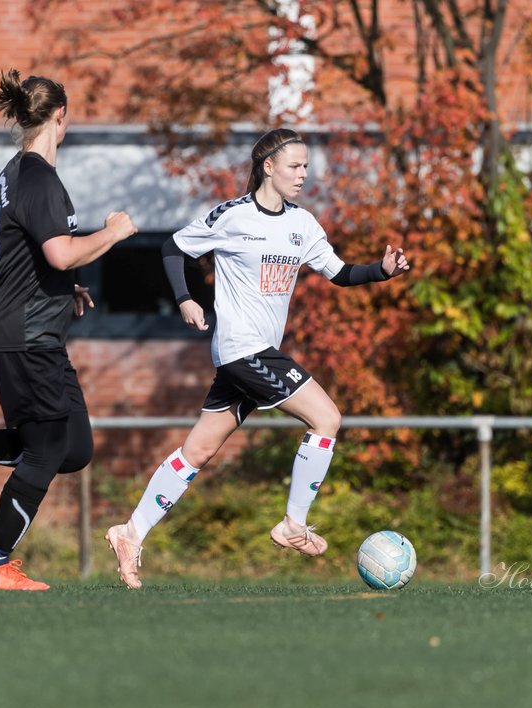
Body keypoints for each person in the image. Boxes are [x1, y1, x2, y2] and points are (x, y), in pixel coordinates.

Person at [100, 127, 412, 589]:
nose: (303, 174)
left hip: (256, 355)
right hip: (242, 350)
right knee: (326, 418)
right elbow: (174, 247)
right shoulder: (233, 216)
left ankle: (130, 532)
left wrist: (381, 272)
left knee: (198, 451)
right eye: (295, 165)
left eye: (306, 166)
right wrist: (186, 298)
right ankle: (293, 525)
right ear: (268, 166)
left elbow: (341, 273)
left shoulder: (302, 224)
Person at [0, 71, 136, 591]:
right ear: (62, 115)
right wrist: (113, 232)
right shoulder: (39, 178)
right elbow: (58, 251)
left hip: (29, 332)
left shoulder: (13, 173)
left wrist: (62, 289)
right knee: (45, 451)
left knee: (73, 448)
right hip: (27, 338)